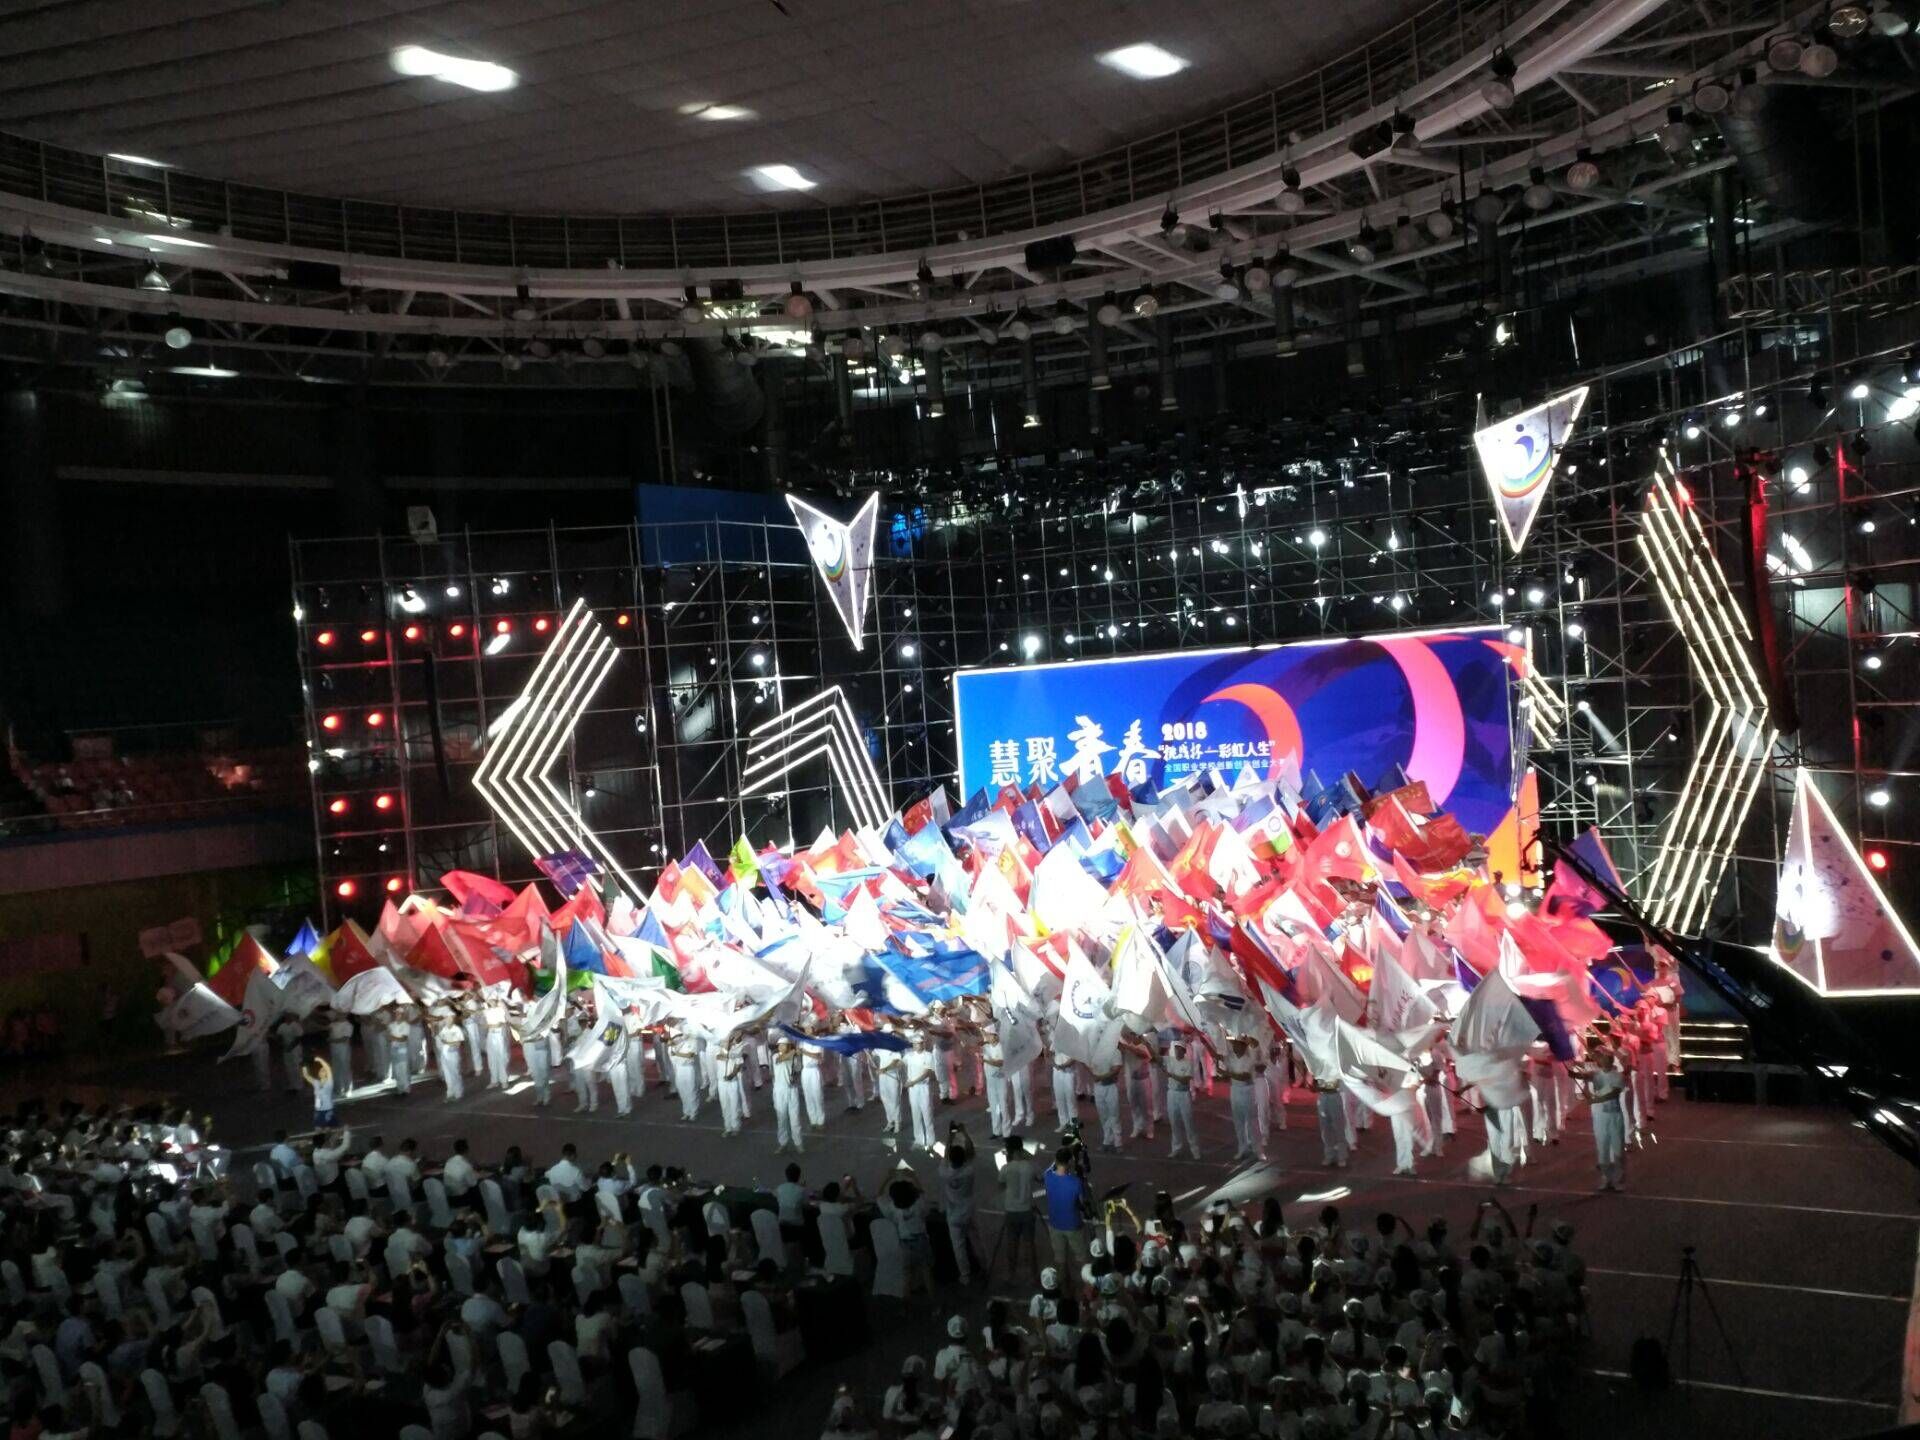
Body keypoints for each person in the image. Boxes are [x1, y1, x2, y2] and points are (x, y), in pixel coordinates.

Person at [1579, 1043, 1629, 1192]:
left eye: (1605, 1057)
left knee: (1618, 1150)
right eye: (1601, 1057)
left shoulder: (1618, 1076)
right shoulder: (1596, 1074)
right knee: (1603, 1149)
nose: (1602, 1059)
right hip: (1600, 1118)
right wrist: (1572, 1073)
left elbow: (1614, 1093)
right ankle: (1606, 1178)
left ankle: (1619, 1180)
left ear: (1611, 1060)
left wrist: (1595, 1100)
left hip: (1614, 1116)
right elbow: (1583, 1075)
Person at [940, 1125, 981, 1284]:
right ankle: (984, 1264)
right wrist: (964, 1133)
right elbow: (971, 1151)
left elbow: (946, 1155)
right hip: (968, 1210)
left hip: (953, 1214)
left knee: (959, 1246)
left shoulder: (944, 1172)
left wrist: (950, 1136)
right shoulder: (969, 1171)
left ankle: (965, 1274)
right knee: (976, 1240)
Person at [1042, 1145, 1089, 1271]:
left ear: (1056, 1160)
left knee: (1059, 1258)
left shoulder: (1048, 1177)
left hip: (1055, 1223)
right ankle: (1086, 1280)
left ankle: (1062, 1280)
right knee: (1081, 1257)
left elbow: (1049, 1170)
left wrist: (1057, 1160)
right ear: (1069, 1162)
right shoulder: (1076, 1182)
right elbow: (1082, 1203)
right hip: (1073, 1224)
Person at [999, 1135, 1037, 1277]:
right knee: (1029, 1244)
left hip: (1011, 1210)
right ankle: (1034, 1275)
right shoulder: (1029, 1167)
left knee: (1012, 1243)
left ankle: (1011, 1274)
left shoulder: (1005, 1168)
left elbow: (1001, 1186)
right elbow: (1040, 1178)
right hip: (1027, 1210)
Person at [1164, 1039, 1202, 1160]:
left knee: (1188, 1122)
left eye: (1179, 1049)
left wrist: (1171, 1075)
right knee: (1174, 1122)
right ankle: (1176, 1148)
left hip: (1184, 1094)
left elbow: (1185, 1080)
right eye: (1176, 1049)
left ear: (1184, 1051)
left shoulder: (1188, 1063)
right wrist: (1146, 1044)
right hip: (1171, 1094)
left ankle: (1195, 1149)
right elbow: (1155, 1057)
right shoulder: (1170, 1060)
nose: (1177, 1051)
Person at [771, 1035, 806, 1154]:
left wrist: (798, 1056)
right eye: (780, 1045)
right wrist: (794, 1052)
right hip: (780, 1091)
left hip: (792, 1090)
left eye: (784, 1045)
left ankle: (798, 1143)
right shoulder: (775, 1056)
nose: (781, 1047)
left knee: (795, 1119)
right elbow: (781, 1059)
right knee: (782, 1119)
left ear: (788, 1046)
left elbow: (798, 1070)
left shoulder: (795, 1058)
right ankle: (783, 1143)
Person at [904, 1030, 938, 1151]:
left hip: (923, 1088)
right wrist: (884, 1069)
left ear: (923, 1044)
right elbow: (900, 1064)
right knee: (915, 1114)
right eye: (915, 1043)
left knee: (927, 1114)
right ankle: (919, 1140)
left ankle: (931, 1141)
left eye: (919, 1043)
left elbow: (927, 1073)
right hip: (913, 1090)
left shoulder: (928, 1056)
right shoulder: (908, 1056)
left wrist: (913, 1082)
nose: (917, 1045)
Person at [434, 1011, 465, 1102]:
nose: (448, 1020)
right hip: (445, 1053)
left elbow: (458, 1043)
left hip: (453, 1053)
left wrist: (447, 1042)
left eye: (451, 1018)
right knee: (447, 1074)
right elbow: (440, 1039)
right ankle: (450, 1093)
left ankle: (458, 1093)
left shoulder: (457, 1029)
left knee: (455, 1073)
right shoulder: (444, 1029)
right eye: (447, 1018)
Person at [483, 993, 512, 1089]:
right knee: (491, 1057)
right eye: (489, 1000)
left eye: (493, 1000)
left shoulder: (500, 1010)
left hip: (499, 1035)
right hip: (490, 1034)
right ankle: (494, 1080)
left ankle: (504, 1080)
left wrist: (489, 1025)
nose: (491, 1002)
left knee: (501, 1056)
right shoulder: (487, 1011)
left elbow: (500, 1023)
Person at [301, 1054, 336, 1127]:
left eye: (323, 1070)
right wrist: (304, 1065)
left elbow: (328, 1068)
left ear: (327, 1074)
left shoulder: (329, 1083)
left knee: (327, 1128)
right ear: (319, 1074)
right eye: (320, 1070)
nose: (322, 1071)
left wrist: (319, 1060)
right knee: (318, 1128)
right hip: (318, 1109)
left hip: (328, 1109)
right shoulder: (316, 1082)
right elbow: (306, 1075)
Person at [325, 1008, 354, 1094]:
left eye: (341, 1013)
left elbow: (345, 1039)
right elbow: (326, 1030)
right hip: (333, 1048)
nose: (338, 1015)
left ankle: (348, 1088)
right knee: (336, 1067)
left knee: (345, 1066)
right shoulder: (333, 1024)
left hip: (343, 1048)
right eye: (338, 1013)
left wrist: (332, 1040)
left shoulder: (348, 1025)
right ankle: (339, 1087)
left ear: (346, 1014)